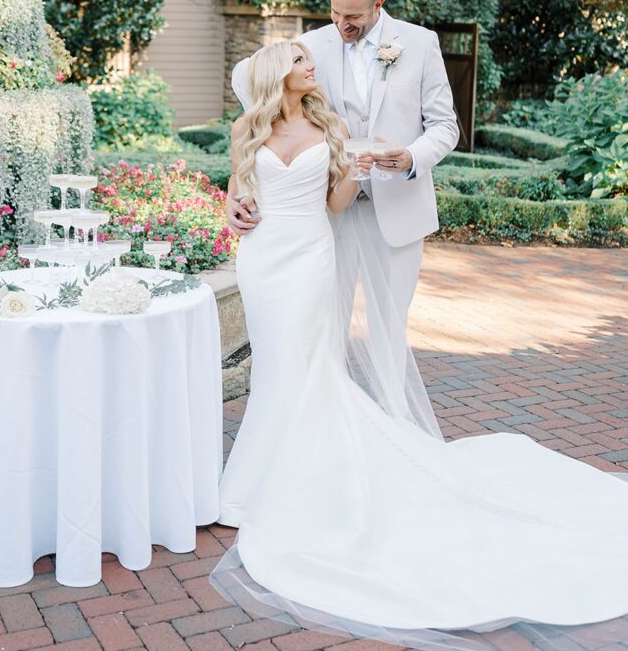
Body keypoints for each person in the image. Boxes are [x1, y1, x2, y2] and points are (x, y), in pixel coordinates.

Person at [212, 39, 628, 651]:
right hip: (261, 261)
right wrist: (235, 209)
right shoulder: (246, 129)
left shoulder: (332, 126)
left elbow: (332, 206)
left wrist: (353, 175)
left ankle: (294, 479)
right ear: (280, 73)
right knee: (275, 365)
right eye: (300, 59)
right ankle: (260, 475)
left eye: (309, 57)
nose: (310, 64)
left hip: (308, 258)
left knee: (308, 364)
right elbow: (237, 192)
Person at [228, 0, 459, 435]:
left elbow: (445, 127)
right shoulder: (308, 47)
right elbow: (253, 98)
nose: (341, 24)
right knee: (320, 327)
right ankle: (328, 434)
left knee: (388, 327)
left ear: (380, 5)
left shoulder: (419, 43)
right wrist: (238, 195)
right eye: (334, 13)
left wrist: (409, 157)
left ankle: (393, 432)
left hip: (398, 211)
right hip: (324, 217)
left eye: (352, 16)